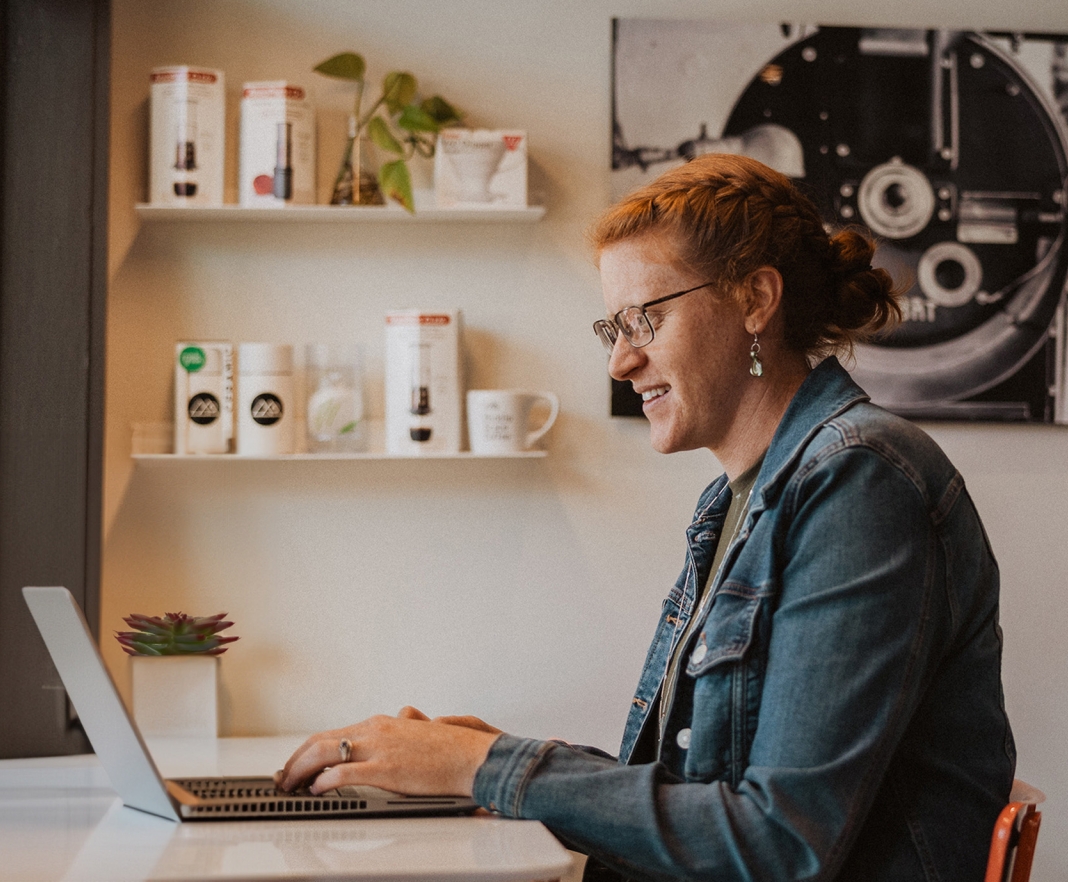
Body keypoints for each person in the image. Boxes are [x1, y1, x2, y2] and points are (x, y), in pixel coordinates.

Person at [277, 153, 1015, 881]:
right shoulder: (733, 503)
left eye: (644, 320)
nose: (620, 362)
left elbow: (779, 842)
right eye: (613, 329)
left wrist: (490, 768)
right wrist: (487, 763)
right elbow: (707, 796)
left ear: (756, 299)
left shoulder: (861, 480)